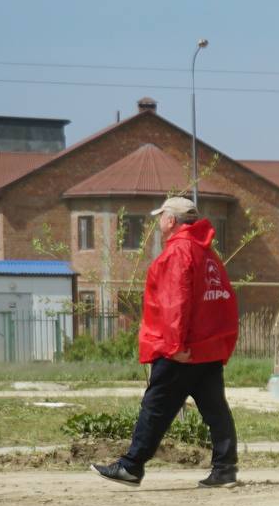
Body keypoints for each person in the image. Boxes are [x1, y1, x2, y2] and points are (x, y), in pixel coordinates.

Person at [93, 195, 240, 489]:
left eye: (161, 216)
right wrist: (218, 343)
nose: (158, 221)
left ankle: (131, 466)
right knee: (215, 409)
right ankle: (224, 469)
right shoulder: (208, 254)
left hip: (180, 349)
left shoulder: (179, 252)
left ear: (171, 220)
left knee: (155, 406)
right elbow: (226, 302)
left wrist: (174, 345)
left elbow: (176, 302)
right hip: (206, 347)